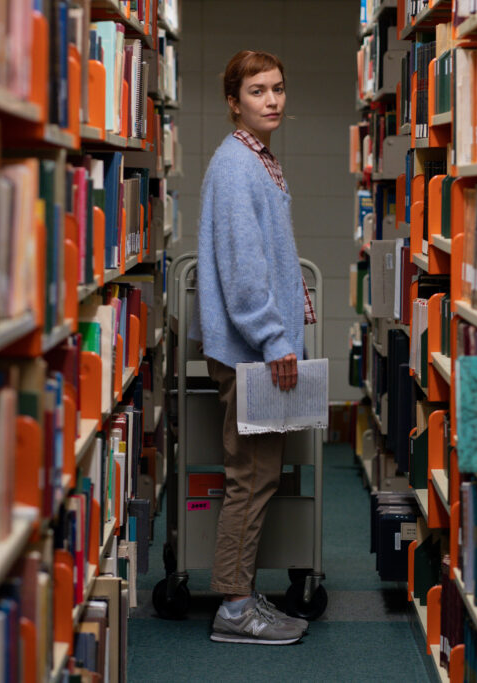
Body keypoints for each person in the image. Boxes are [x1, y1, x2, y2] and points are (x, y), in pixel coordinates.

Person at [189, 50, 317, 645]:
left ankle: (240, 594)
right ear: (233, 100)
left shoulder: (253, 161)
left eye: (279, 88)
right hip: (250, 351)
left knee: (259, 473)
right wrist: (273, 338)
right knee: (252, 475)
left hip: (255, 350)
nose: (273, 100)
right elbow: (244, 270)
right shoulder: (238, 167)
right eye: (259, 90)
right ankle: (235, 607)